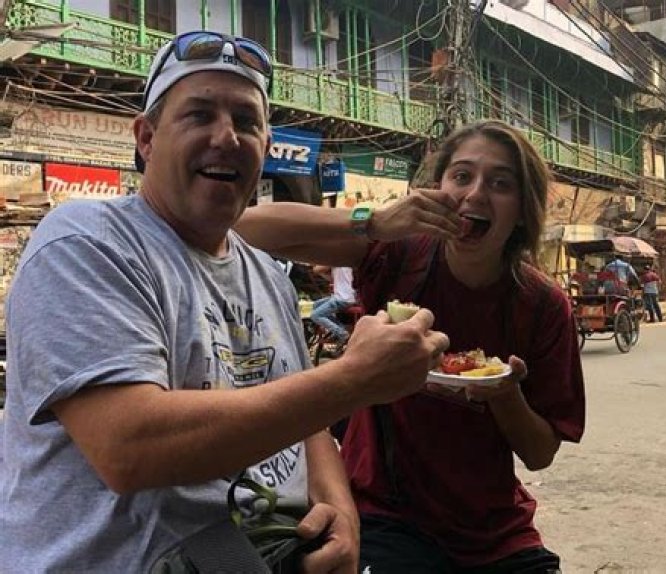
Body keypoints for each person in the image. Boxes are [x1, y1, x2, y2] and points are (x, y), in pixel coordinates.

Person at [0, 31, 450, 573]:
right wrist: (354, 379)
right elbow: (128, 446)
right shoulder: (86, 242)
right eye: (199, 115)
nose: (226, 137)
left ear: (266, 145)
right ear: (146, 138)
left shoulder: (266, 276)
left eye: (246, 121)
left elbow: (308, 423)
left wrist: (341, 509)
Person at [238, 119, 586, 573]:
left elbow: (540, 454)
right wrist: (373, 220)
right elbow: (243, 228)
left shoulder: (542, 306)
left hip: (495, 532)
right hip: (384, 517)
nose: (475, 194)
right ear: (438, 189)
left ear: (522, 210)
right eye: (462, 176)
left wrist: (505, 394)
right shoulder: (398, 255)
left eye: (501, 183)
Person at [310, 266, 357, 343]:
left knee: (315, 315)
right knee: (316, 305)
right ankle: (341, 328)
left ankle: (343, 334)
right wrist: (322, 273)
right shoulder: (342, 266)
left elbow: (317, 269)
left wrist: (314, 265)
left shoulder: (336, 262)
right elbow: (331, 279)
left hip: (342, 299)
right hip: (343, 297)